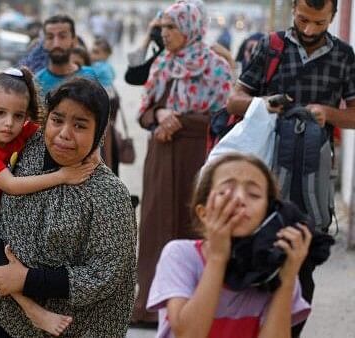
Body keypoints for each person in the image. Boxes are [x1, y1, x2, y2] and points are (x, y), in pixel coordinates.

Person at [0, 77, 137, 337]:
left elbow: (105, 274)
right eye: (57, 120)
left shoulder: (108, 195)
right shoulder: (23, 149)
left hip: (71, 325)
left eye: (80, 125)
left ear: (99, 131)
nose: (64, 133)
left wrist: (26, 279)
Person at [225, 0, 355, 335]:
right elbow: (234, 100)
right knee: (255, 259)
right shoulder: (271, 46)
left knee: (303, 266)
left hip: (312, 182)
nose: (310, 29)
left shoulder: (344, 56)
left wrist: (328, 113)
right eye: (303, 20)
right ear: (294, 9)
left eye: (319, 23)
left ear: (333, 17)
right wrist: (266, 105)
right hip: (264, 177)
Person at [133, 0, 233, 327]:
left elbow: (229, 116)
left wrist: (190, 122)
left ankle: (193, 309)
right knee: (155, 223)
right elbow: (144, 110)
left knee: (193, 221)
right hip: (162, 152)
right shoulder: (161, 63)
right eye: (163, 27)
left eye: (172, 27)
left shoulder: (215, 66)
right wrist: (160, 115)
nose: (165, 33)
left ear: (190, 28)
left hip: (198, 153)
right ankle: (151, 306)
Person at [148, 153, 311, 337]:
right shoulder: (180, 255)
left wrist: (287, 280)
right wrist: (218, 258)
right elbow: (188, 334)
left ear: (268, 212)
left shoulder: (274, 268)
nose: (240, 199)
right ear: (203, 213)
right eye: (226, 191)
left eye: (254, 194)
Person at [35, 15, 97, 96]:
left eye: (62, 36)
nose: (56, 44)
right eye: (50, 37)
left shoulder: (89, 75)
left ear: (74, 41)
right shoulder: (38, 81)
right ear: (44, 43)